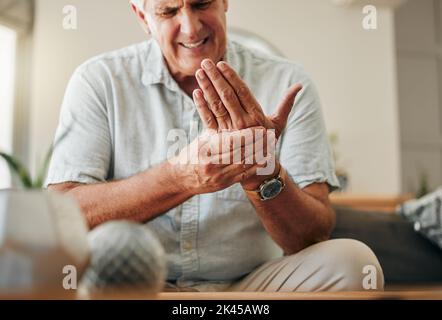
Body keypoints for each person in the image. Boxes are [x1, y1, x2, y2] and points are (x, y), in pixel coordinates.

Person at [46, 0, 384, 292]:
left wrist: (262, 174)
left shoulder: (287, 83)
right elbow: (62, 215)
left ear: (225, 1)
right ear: (142, 15)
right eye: (168, 11)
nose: (190, 28)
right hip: (137, 286)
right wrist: (181, 178)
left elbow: (311, 237)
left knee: (354, 264)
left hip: (252, 285)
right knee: (59, 271)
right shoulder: (99, 80)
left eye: (201, 3)